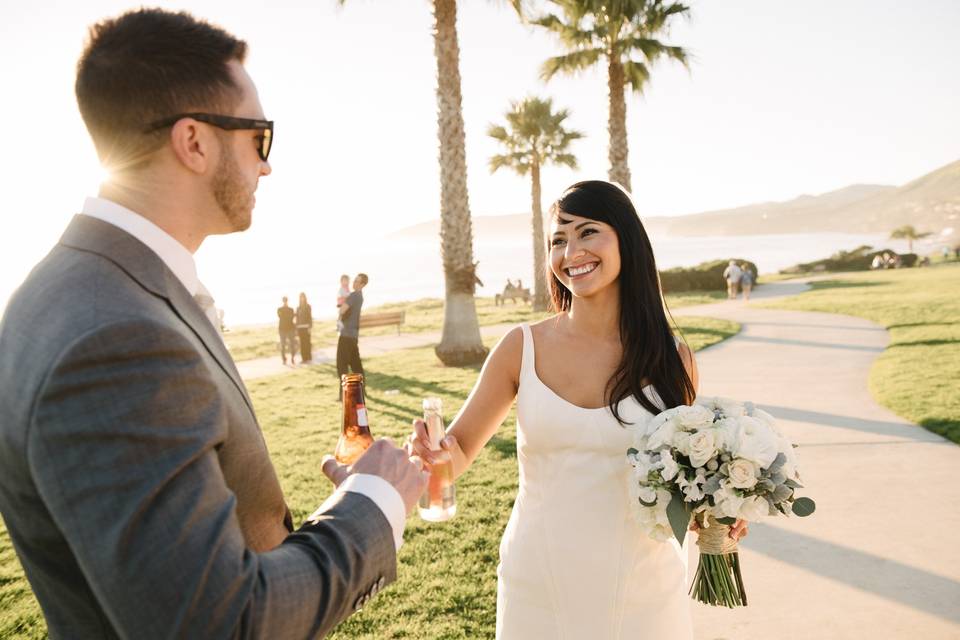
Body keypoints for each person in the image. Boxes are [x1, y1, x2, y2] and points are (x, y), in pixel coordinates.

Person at [0, 9, 427, 638]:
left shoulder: (88, 288)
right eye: (261, 137)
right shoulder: (115, 334)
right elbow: (220, 621)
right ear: (195, 141)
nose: (267, 165)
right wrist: (373, 502)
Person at [409, 181, 747, 638]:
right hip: (538, 582)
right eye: (558, 240)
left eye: (588, 232)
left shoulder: (673, 360)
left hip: (645, 589)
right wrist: (436, 458)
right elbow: (461, 447)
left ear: (626, 239)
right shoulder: (520, 348)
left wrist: (722, 505)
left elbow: (681, 478)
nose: (571, 252)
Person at [337, 273, 369, 393]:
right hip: (353, 335)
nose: (354, 283)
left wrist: (340, 311)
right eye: (354, 280)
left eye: (357, 281)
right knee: (356, 364)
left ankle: (343, 394)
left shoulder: (353, 295)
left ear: (362, 284)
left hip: (346, 335)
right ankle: (362, 389)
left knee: (342, 365)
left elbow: (342, 309)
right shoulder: (360, 296)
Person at [277, 295, 297, 364]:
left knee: (292, 344)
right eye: (284, 300)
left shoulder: (291, 309)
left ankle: (292, 358)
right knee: (283, 345)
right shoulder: (279, 309)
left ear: (287, 301)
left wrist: (288, 316)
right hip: (282, 329)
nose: (285, 302)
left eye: (286, 300)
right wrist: (289, 316)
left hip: (290, 329)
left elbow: (291, 318)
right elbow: (281, 316)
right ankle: (284, 359)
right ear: (283, 301)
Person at [296, 291, 313, 363]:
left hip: (306, 327)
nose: (302, 298)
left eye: (303, 297)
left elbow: (310, 317)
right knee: (302, 343)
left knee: (307, 343)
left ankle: (308, 357)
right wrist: (296, 328)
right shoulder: (298, 307)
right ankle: (304, 358)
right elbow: (297, 318)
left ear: (305, 298)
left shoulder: (308, 306)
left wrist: (310, 326)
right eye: (300, 297)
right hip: (300, 328)